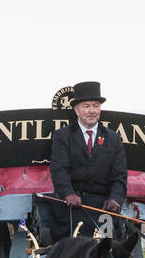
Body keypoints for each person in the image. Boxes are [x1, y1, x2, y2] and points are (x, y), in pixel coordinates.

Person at [48, 80, 128, 243]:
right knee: (74, 254)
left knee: (110, 250)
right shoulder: (62, 136)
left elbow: (120, 176)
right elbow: (59, 170)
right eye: (86, 106)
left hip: (105, 210)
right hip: (73, 207)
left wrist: (115, 198)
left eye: (96, 105)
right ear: (76, 110)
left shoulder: (113, 139)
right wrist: (68, 193)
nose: (92, 111)